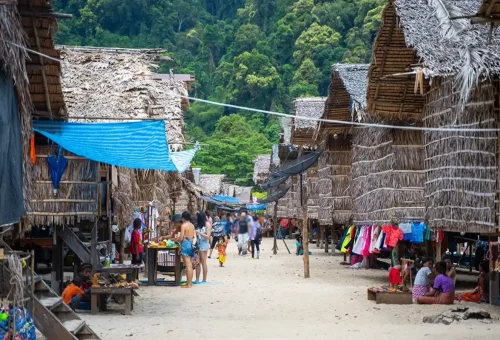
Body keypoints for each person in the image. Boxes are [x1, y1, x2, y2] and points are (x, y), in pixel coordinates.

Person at [178, 211, 196, 288]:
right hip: (191, 244)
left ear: (183, 218)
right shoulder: (192, 225)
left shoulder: (183, 226)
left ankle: (188, 284)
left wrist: (177, 239)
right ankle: (190, 283)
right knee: (190, 265)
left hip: (185, 244)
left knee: (188, 266)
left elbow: (181, 238)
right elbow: (194, 236)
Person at [195, 211, 211, 282]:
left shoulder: (207, 224)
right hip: (198, 244)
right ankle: (197, 279)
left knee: (203, 262)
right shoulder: (198, 225)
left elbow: (208, 236)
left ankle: (204, 279)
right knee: (197, 262)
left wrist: (199, 233)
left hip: (204, 244)